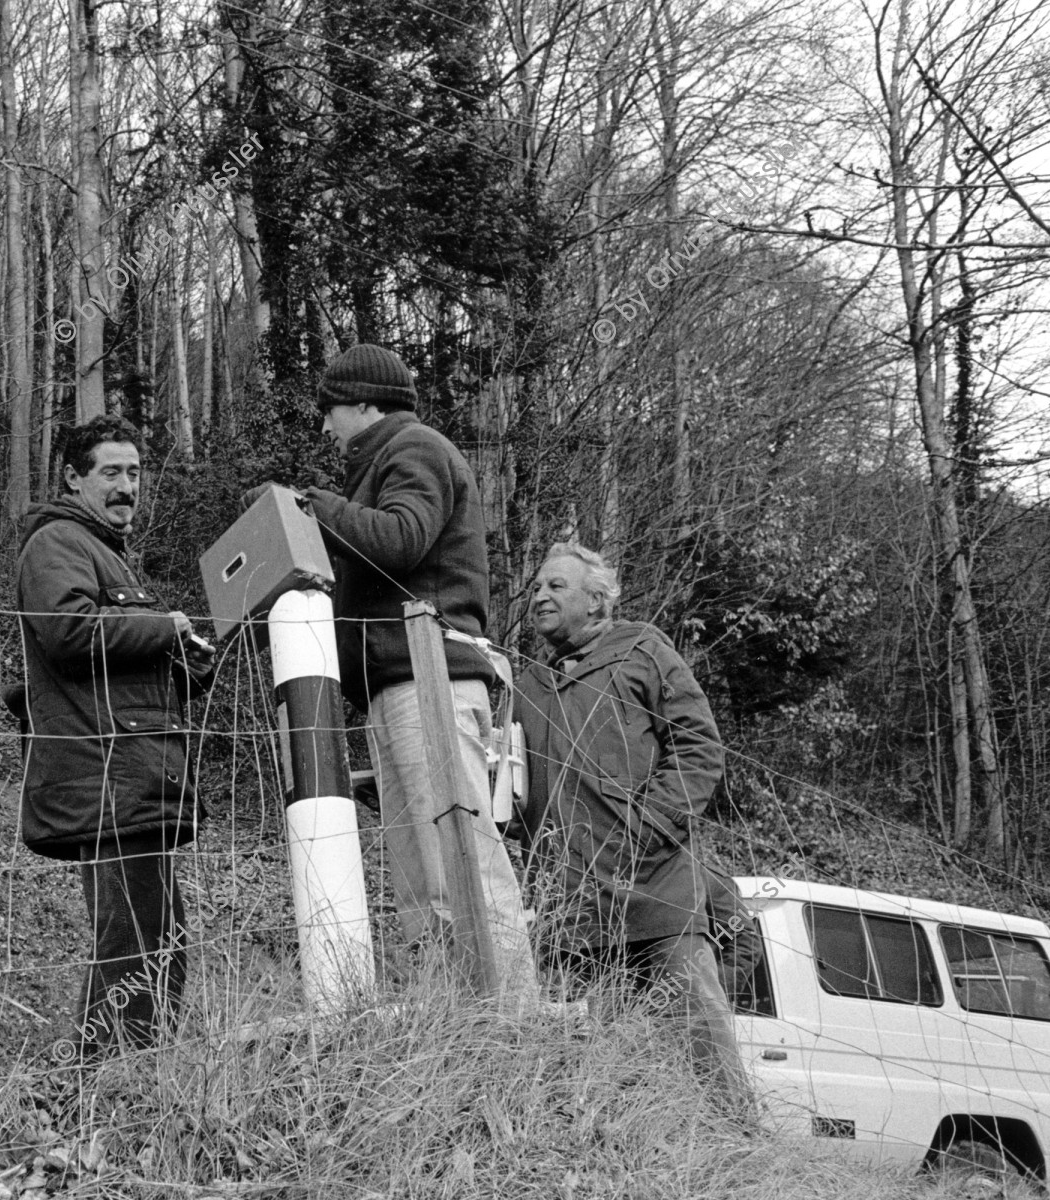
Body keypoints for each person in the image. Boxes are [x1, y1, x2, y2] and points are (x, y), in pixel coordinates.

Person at [248, 344, 540, 1000]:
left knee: (463, 851)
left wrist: (314, 507)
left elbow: (402, 539)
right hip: (396, 683)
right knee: (421, 872)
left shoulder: (415, 450)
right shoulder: (388, 461)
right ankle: (453, 1012)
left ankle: (512, 1017)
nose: (326, 428)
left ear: (364, 404)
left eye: (330, 411)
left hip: (429, 679)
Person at [516, 542, 750, 1103]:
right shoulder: (526, 687)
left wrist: (646, 833)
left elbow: (698, 751)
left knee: (701, 1048)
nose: (540, 596)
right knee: (597, 1075)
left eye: (557, 586)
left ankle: (735, 1156)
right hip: (572, 915)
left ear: (597, 602)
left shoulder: (643, 651)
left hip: (657, 893)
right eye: (537, 587)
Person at [14, 415, 212, 1061]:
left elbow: (120, 670)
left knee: (157, 936)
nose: (127, 487)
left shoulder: (104, 552)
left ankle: (125, 1072)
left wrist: (188, 657)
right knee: (136, 939)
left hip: (133, 774)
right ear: (73, 477)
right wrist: (164, 626)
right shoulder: (58, 542)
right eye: (111, 473)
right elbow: (68, 633)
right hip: (106, 774)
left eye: (134, 473)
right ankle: (105, 1081)